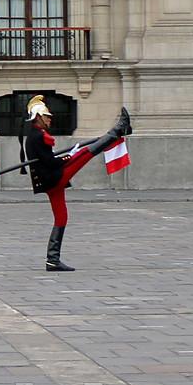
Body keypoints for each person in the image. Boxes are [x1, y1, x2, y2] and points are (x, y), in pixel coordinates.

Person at [24, 97, 132, 271]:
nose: (50, 119)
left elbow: (46, 160)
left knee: (62, 217)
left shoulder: (34, 135)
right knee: (84, 153)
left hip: (49, 180)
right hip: (53, 178)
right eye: (47, 116)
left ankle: (52, 260)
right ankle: (118, 130)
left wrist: (62, 158)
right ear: (38, 117)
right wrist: (67, 157)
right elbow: (50, 162)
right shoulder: (38, 136)